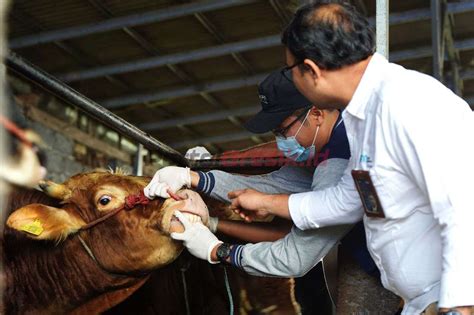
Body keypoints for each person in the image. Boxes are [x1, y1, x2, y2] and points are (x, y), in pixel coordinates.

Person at [225, 2, 474, 315]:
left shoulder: (407, 103)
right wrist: (265, 202)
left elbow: (464, 208)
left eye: (291, 70)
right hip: (423, 301)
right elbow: (346, 199)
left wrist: (460, 306)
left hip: (452, 302)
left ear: (311, 71)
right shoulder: (362, 117)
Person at [145, 70, 377, 313]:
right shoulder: (330, 142)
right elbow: (274, 184)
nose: (280, 141)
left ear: (317, 114)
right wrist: (193, 177)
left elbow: (295, 258)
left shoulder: (339, 162)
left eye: (282, 130)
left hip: (393, 269)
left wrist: (218, 250)